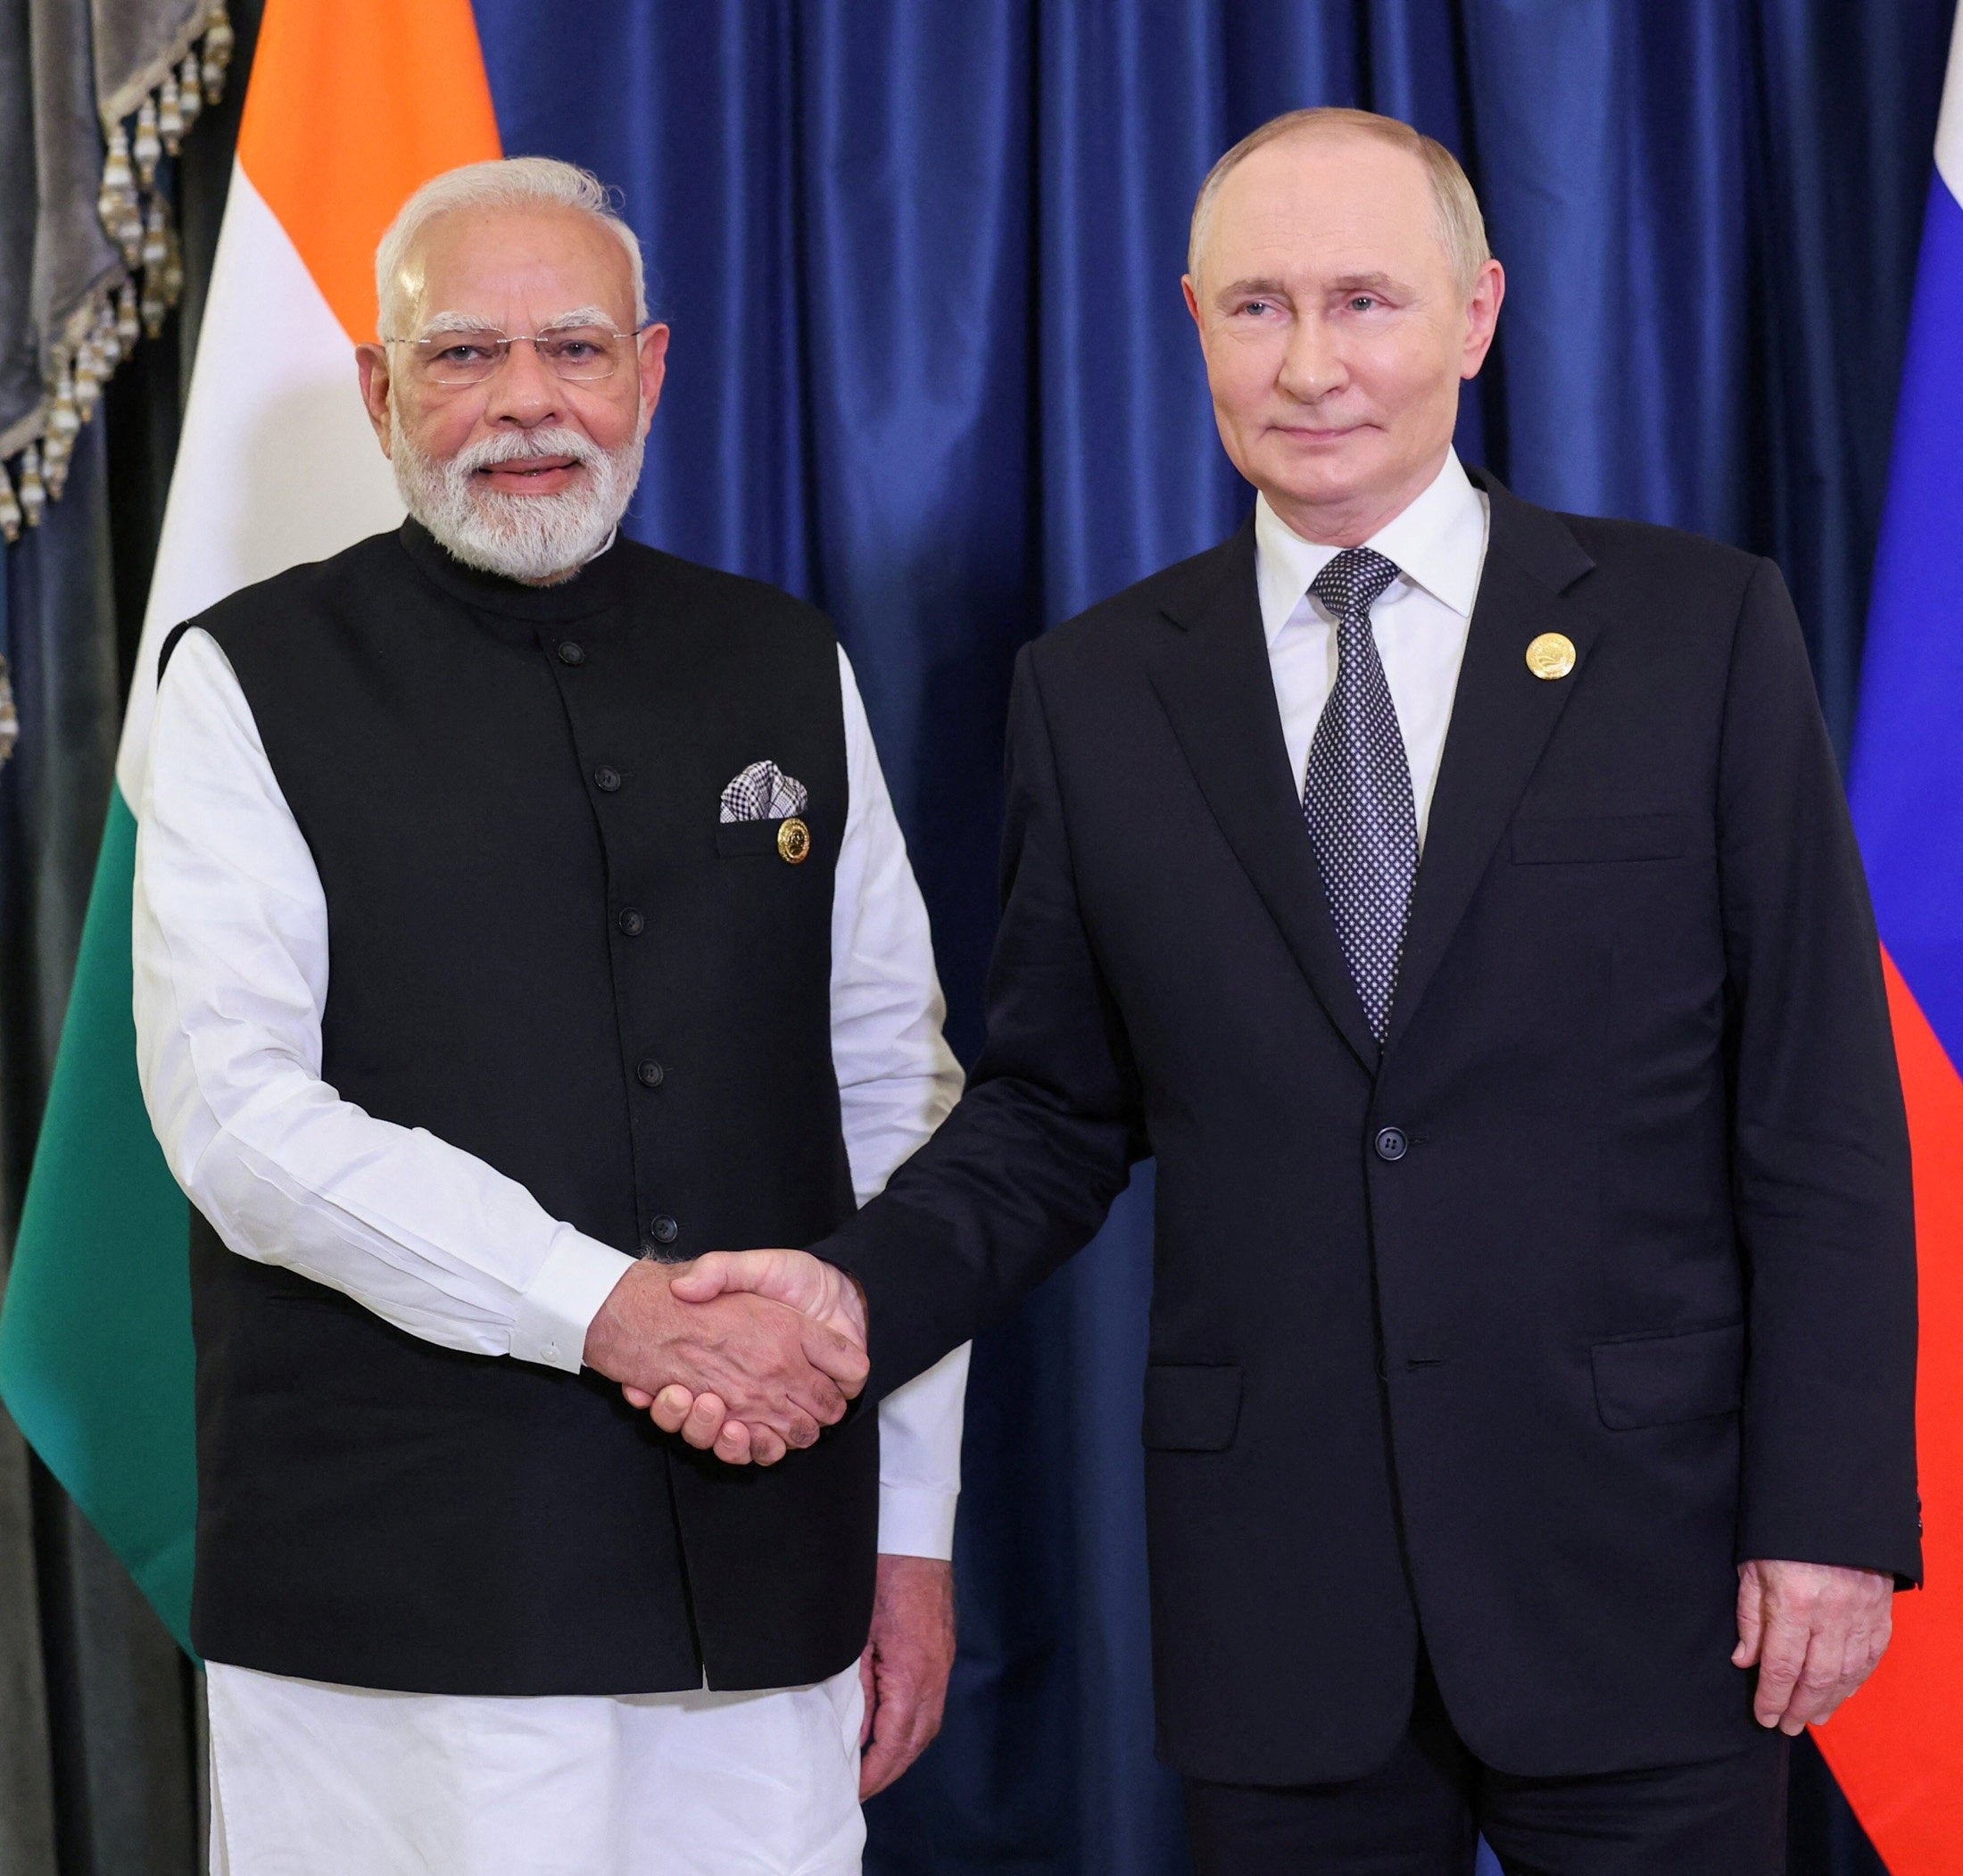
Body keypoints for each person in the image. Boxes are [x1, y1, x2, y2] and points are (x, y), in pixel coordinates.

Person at [653, 109, 1920, 1873]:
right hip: (1282, 1596)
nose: (1309, 364)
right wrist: (849, 1300)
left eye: (1363, 302)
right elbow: (1046, 1113)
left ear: (1474, 316)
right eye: (1254, 308)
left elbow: (1816, 1116)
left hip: (1648, 1567)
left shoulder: (1694, 635)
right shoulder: (1093, 694)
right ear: (1189, 321)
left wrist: (1832, 1516)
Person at [133, 156, 968, 1876]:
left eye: (575, 349)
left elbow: (898, 1096)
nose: (527, 402)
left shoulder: (786, 659)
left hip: (770, 1594)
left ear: (652, 372)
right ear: (379, 391)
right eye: (463, 356)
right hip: (400, 1619)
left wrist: (911, 1529)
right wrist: (609, 1309)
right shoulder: (243, 678)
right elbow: (240, 1120)